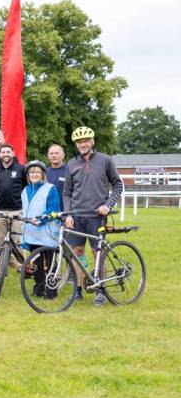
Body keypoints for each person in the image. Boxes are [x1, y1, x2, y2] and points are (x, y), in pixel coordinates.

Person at [63, 126, 123, 307]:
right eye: (79, 142)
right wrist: (67, 214)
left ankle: (101, 290)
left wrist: (107, 205)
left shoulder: (105, 160)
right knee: (77, 253)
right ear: (76, 145)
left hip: (97, 216)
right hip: (76, 217)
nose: (83, 144)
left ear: (92, 141)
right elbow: (66, 193)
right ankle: (78, 290)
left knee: (98, 253)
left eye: (86, 140)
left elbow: (118, 185)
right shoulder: (71, 164)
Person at [20, 160, 62, 299]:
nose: (34, 174)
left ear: (42, 174)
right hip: (32, 233)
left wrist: (42, 219)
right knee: (36, 262)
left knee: (50, 262)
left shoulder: (51, 188)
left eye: (37, 171)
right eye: (32, 172)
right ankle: (38, 288)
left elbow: (54, 208)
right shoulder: (25, 190)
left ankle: (51, 291)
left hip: (47, 231)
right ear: (28, 174)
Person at [0, 143, 27, 251]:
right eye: (3, 152)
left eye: (8, 152)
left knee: (17, 241)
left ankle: (20, 266)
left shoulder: (21, 169)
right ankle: (0, 266)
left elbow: (25, 186)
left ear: (13, 153)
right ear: (0, 155)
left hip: (17, 210)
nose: (6, 154)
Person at [46, 143, 68, 208]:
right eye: (51, 153)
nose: (54, 155)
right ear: (48, 156)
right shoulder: (44, 172)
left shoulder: (69, 171)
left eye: (56, 153)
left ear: (63, 155)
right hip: (48, 211)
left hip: (65, 212)